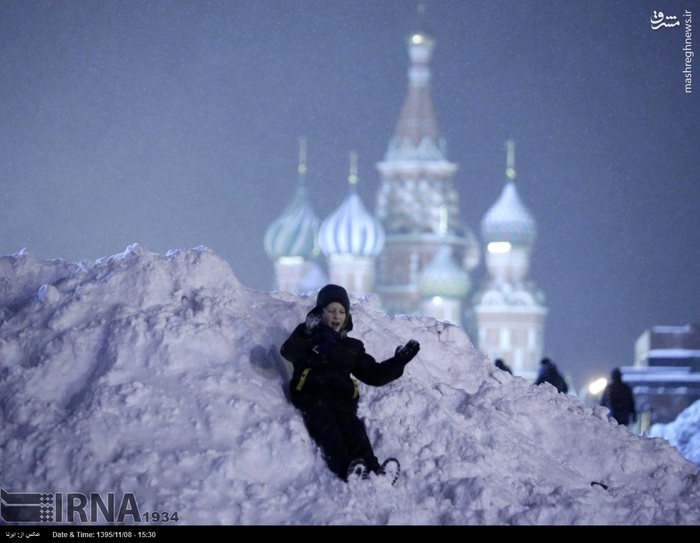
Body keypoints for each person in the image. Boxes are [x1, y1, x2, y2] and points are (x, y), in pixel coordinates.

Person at [280, 284, 420, 483]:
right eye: (331, 311)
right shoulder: (309, 336)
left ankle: (374, 471)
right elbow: (289, 352)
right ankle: (347, 469)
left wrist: (398, 362)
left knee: (355, 432)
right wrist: (307, 333)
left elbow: (374, 374)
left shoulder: (352, 347)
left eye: (341, 311)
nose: (336, 316)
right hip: (314, 398)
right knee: (330, 434)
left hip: (342, 402)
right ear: (320, 313)